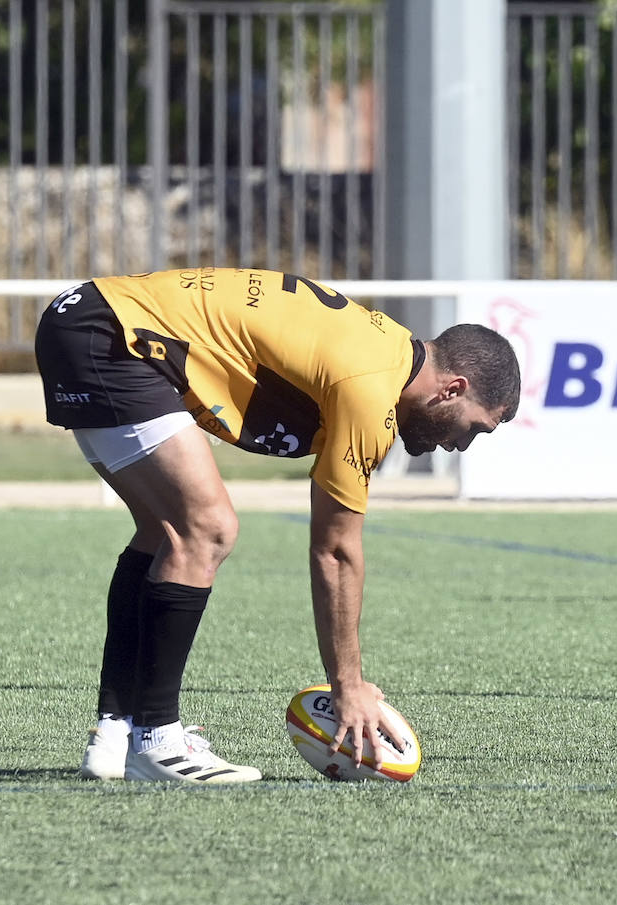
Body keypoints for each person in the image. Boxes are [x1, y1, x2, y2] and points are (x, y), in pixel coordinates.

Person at [34, 267, 521, 782]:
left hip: (89, 320)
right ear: (453, 388)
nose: (461, 444)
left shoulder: (385, 356)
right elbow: (335, 551)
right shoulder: (369, 388)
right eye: (475, 427)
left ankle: (117, 733)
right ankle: (159, 740)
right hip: (113, 335)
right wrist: (348, 686)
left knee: (165, 532)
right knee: (207, 529)